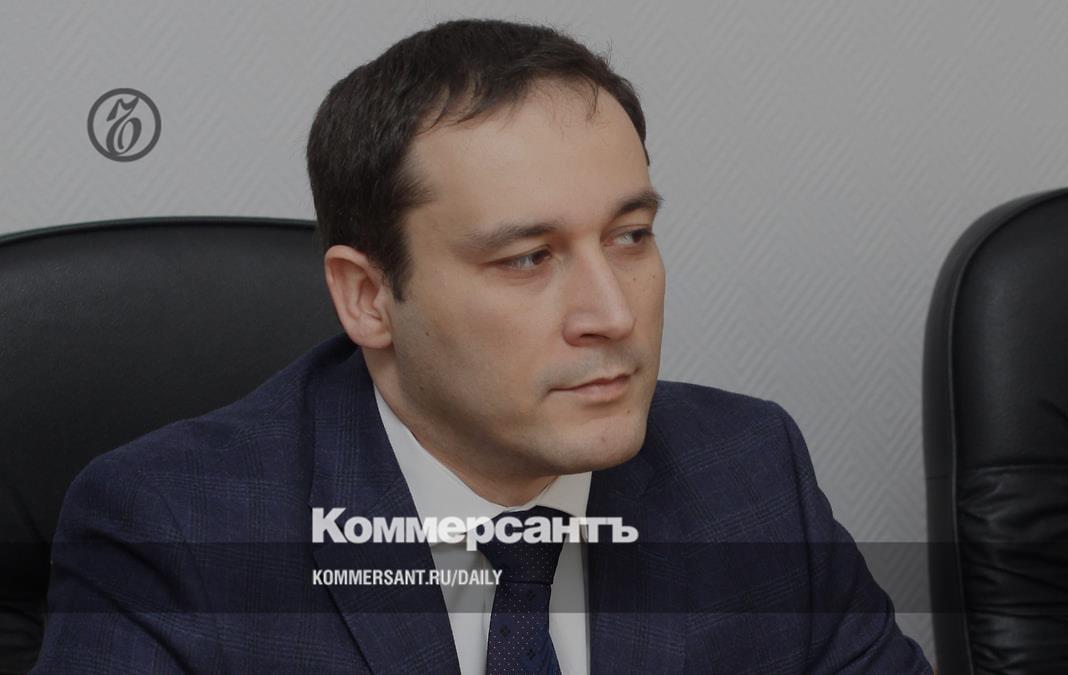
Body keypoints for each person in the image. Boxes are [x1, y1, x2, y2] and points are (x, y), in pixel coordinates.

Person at [35, 18, 931, 674]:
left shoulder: (749, 472)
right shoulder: (175, 531)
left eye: (630, 237)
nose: (612, 313)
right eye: (528, 258)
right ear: (368, 297)